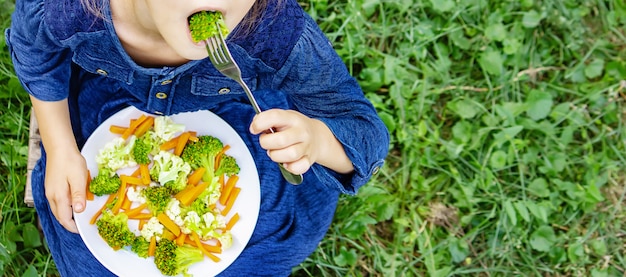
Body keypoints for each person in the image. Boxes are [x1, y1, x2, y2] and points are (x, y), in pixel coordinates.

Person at [6, 0, 389, 275]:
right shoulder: (64, 8)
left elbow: (364, 131)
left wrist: (318, 139)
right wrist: (58, 146)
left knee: (261, 236)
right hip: (108, 100)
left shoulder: (273, 31)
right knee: (86, 241)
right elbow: (35, 51)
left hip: (241, 120)